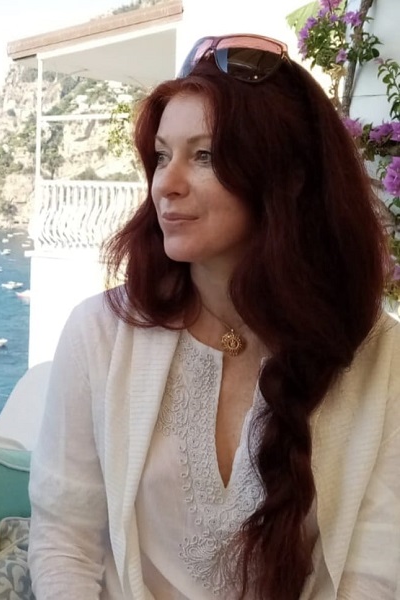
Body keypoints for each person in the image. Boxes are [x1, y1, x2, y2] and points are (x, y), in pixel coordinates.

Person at [27, 34, 400, 600]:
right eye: (161, 156)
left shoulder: (380, 358)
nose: (166, 184)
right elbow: (63, 538)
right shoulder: (98, 333)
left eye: (204, 156)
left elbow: (376, 571)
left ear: (288, 176)